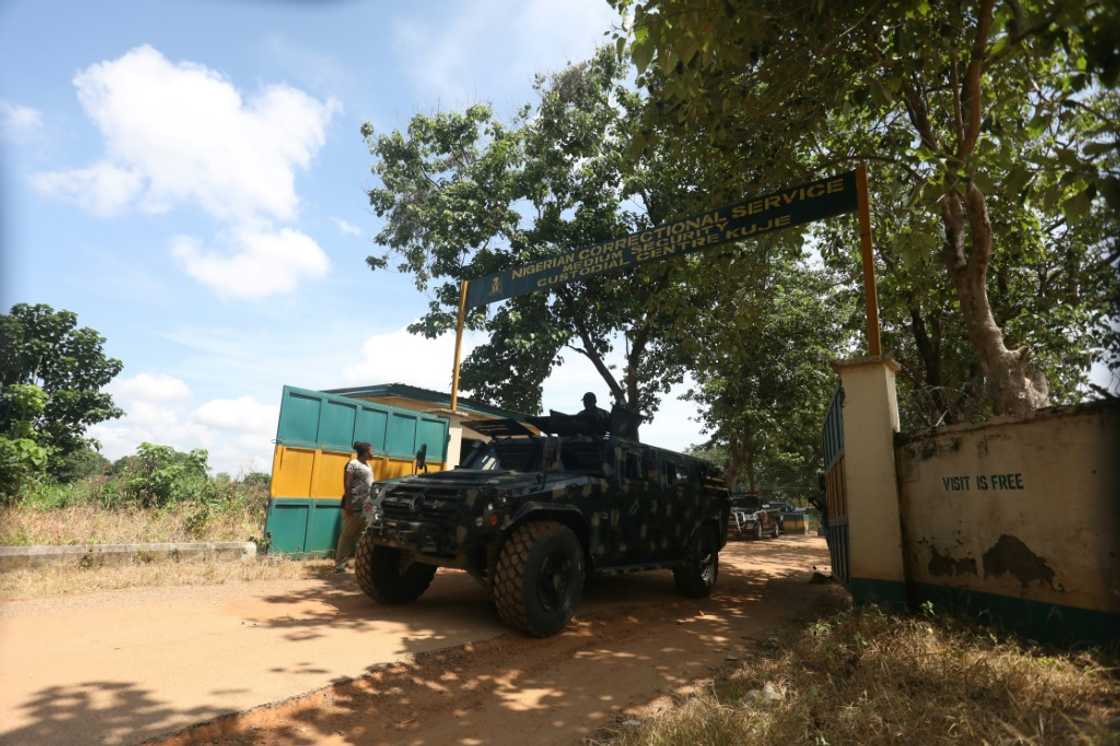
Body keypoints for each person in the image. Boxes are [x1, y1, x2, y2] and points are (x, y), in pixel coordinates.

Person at [335, 441, 374, 572]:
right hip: (353, 506)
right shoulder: (353, 464)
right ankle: (340, 565)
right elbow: (347, 484)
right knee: (347, 535)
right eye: (370, 451)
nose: (372, 453)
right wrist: (348, 504)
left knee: (362, 536)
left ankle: (357, 563)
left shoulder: (368, 465)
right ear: (364, 452)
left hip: (365, 507)